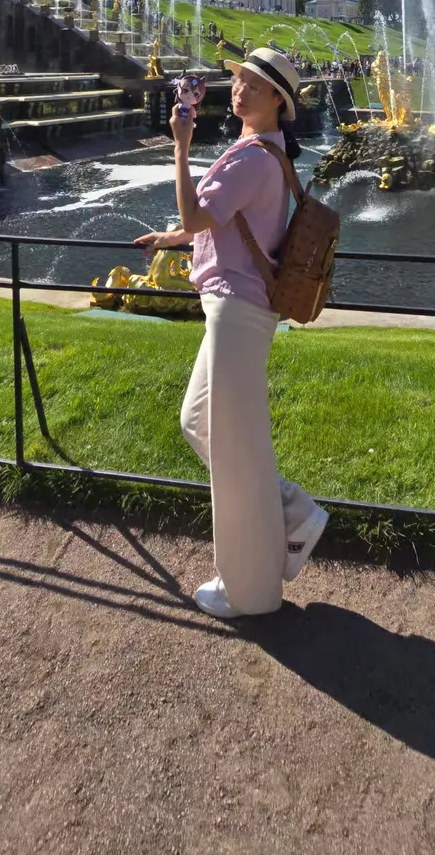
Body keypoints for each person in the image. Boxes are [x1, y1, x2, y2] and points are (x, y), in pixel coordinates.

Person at [136, 47, 327, 621]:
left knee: (236, 449)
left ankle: (251, 591)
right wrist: (172, 239)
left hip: (236, 311)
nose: (240, 89)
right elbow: (227, 226)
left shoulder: (252, 157)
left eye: (253, 84)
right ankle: (292, 513)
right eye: (239, 80)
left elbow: (201, 217)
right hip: (238, 309)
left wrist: (180, 144)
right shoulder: (267, 156)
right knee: (200, 425)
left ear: (279, 102)